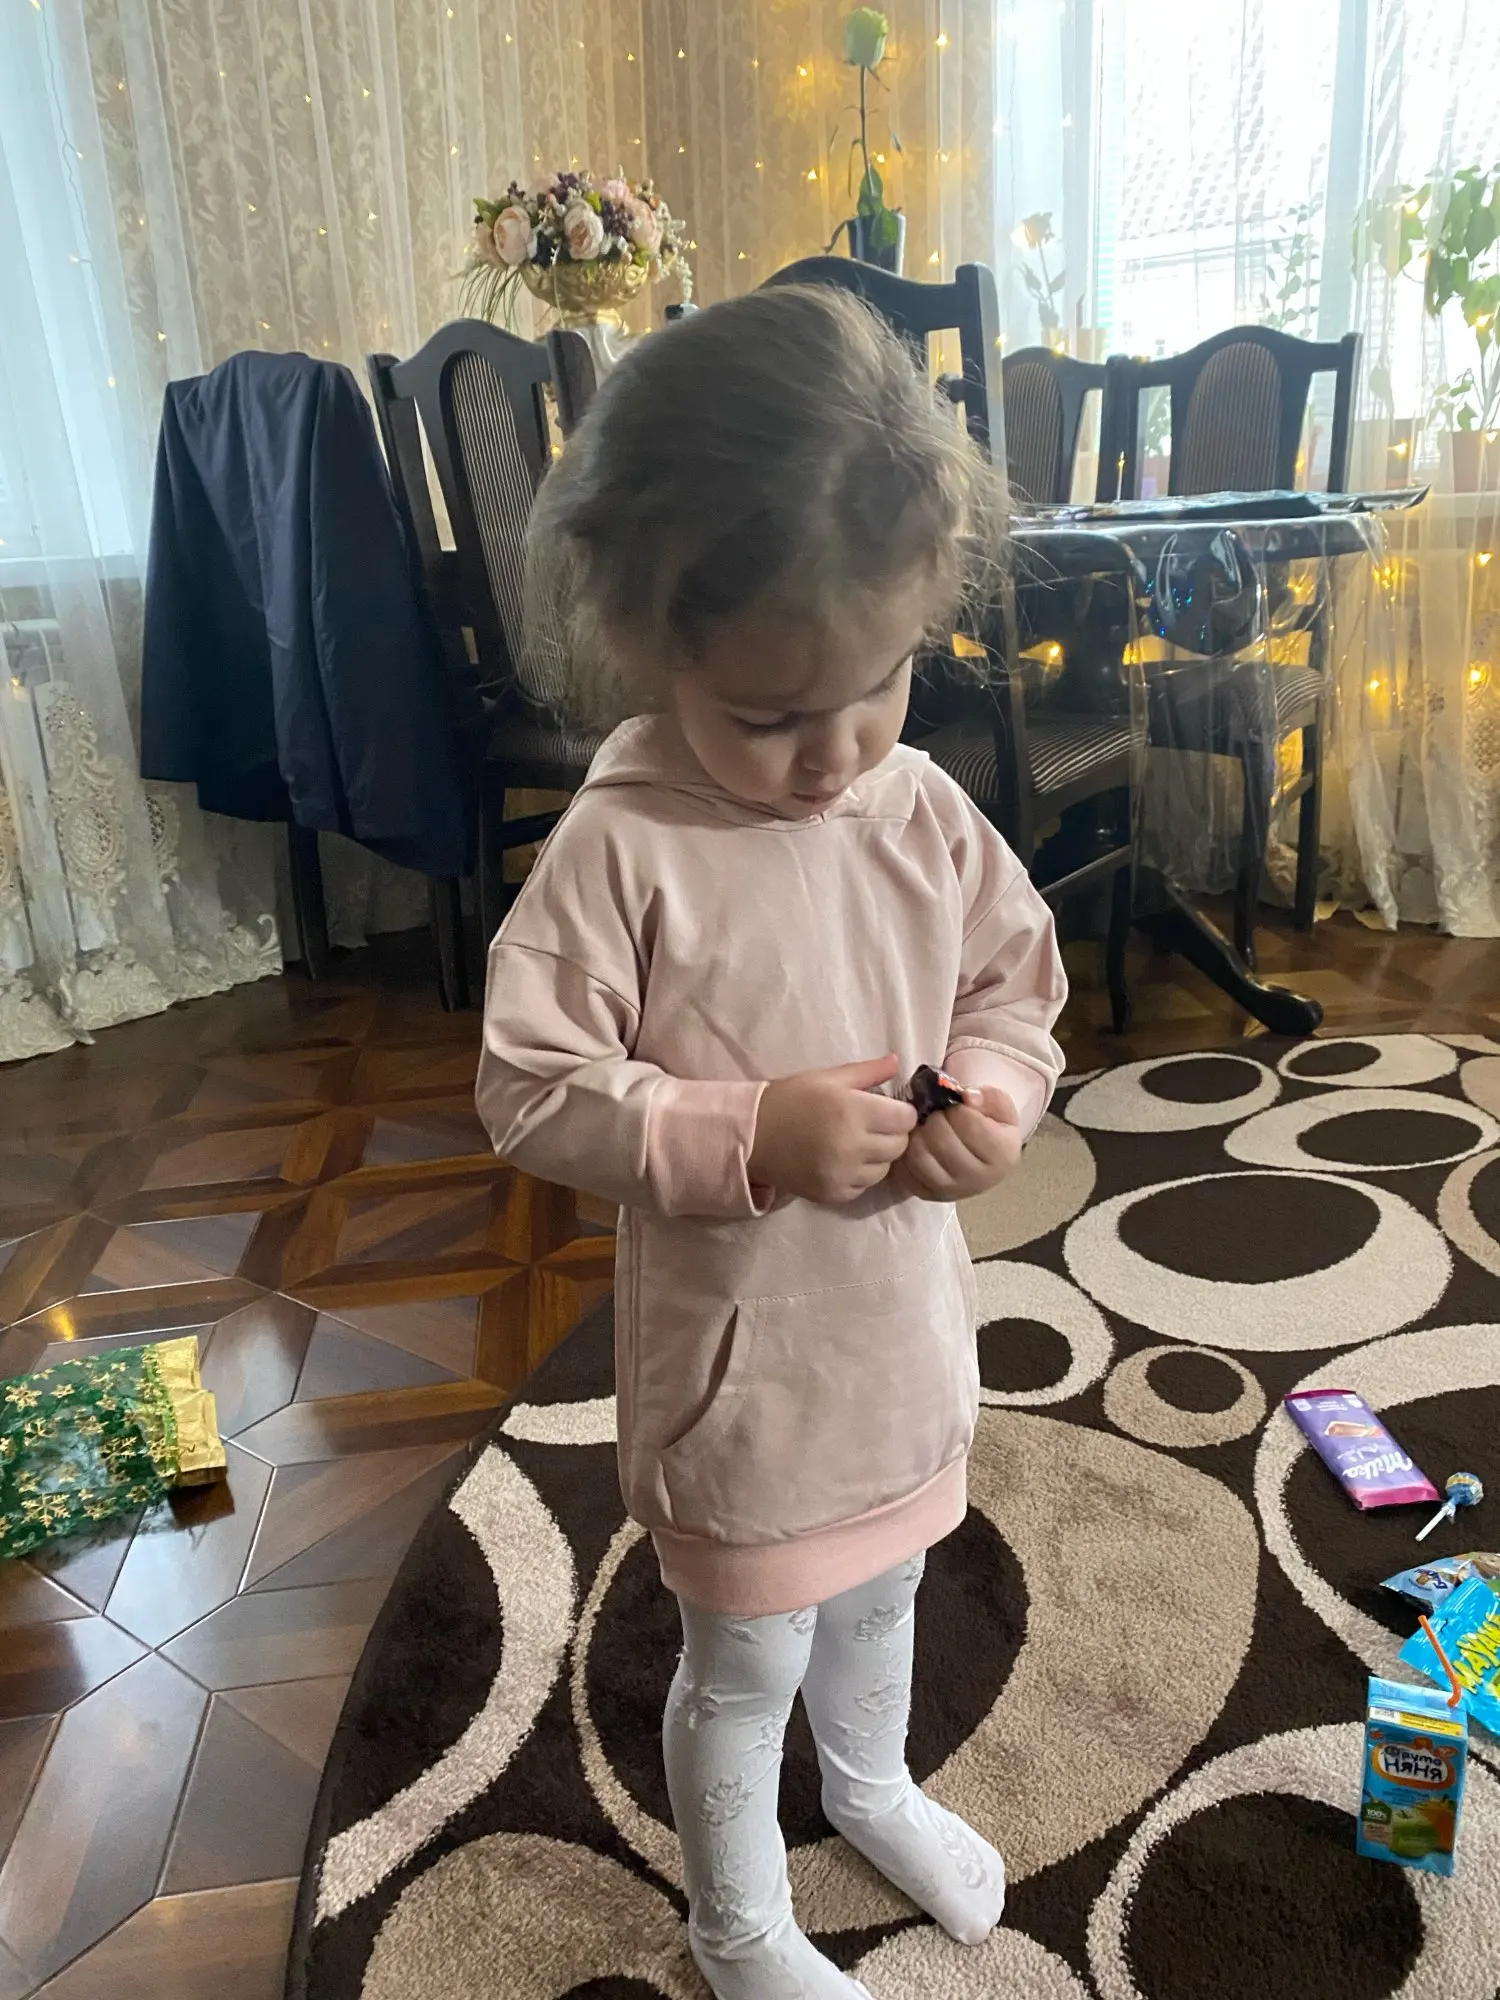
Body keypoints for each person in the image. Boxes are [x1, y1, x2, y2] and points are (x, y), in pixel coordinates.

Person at [476, 285, 1067, 2000]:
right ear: (650, 642)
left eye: (880, 686)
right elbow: (528, 1081)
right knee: (745, 1664)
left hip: (897, 1340)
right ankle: (736, 1926)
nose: (833, 757)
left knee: (886, 1586)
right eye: (766, 716)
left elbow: (1016, 988)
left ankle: (870, 1785)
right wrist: (746, 1129)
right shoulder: (623, 847)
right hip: (743, 1381)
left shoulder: (919, 803)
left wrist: (996, 1097)